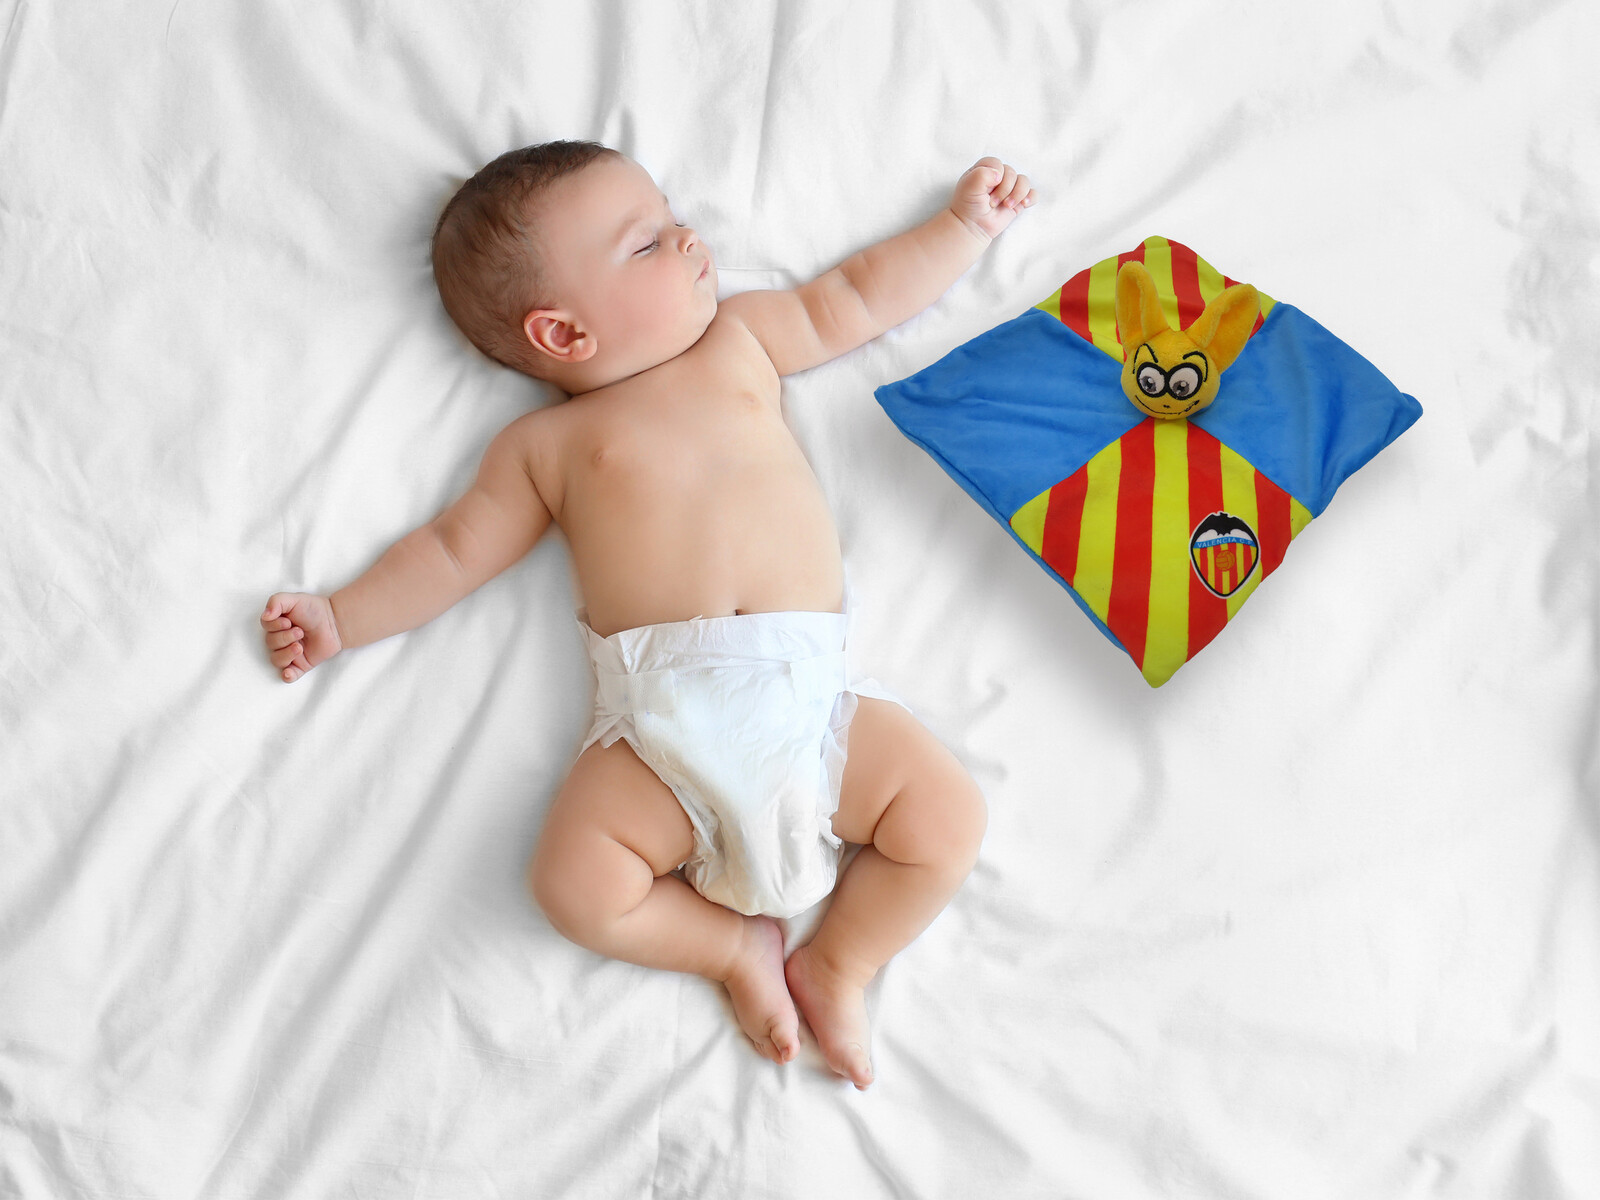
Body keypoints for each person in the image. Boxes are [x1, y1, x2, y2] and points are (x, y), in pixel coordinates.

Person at [261, 141, 1035, 1089]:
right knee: (574, 887)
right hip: (660, 732)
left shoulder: (740, 342)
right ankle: (730, 950)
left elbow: (853, 299)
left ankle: (840, 963)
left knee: (947, 819)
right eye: (647, 243)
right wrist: (341, 618)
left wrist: (962, 228)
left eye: (672, 220)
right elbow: (453, 551)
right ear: (563, 334)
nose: (689, 237)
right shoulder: (545, 447)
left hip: (809, 702)